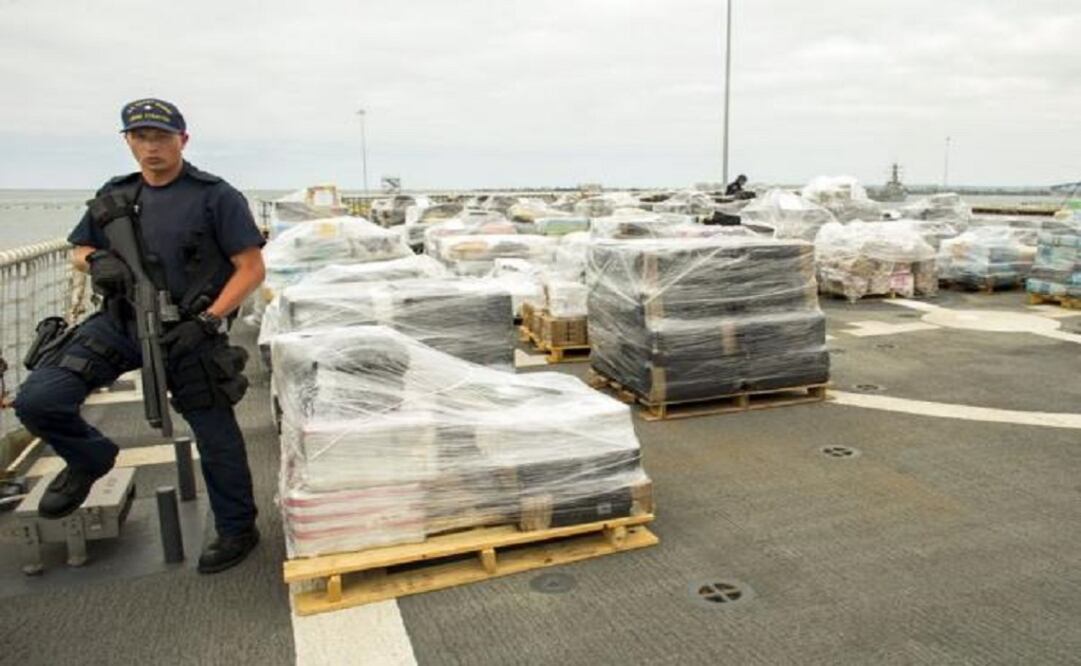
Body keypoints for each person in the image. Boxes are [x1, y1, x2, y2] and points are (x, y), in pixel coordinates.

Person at [13, 98, 267, 574]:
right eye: (141, 137)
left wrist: (209, 320)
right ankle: (89, 459)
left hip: (190, 327)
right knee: (39, 399)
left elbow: (250, 268)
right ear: (127, 141)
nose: (151, 147)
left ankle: (237, 528)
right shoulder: (116, 194)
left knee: (216, 435)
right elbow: (81, 246)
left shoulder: (215, 196)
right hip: (120, 323)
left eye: (161, 137)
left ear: (182, 141)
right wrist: (94, 261)